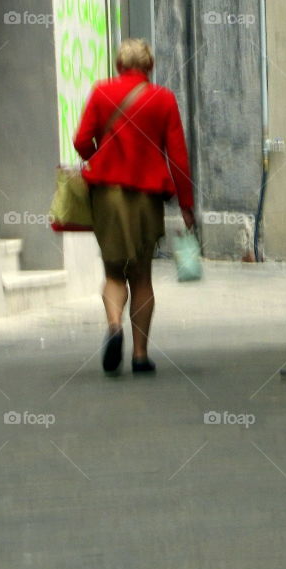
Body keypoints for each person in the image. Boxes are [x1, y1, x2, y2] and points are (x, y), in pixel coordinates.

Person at [73, 38, 195, 376]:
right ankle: (140, 356)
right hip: (147, 196)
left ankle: (114, 326)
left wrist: (97, 158)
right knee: (142, 275)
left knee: (114, 272)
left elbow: (82, 141)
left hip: (108, 195)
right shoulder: (164, 99)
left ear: (118, 66)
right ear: (150, 67)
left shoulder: (101, 93)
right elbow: (179, 158)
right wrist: (187, 205)